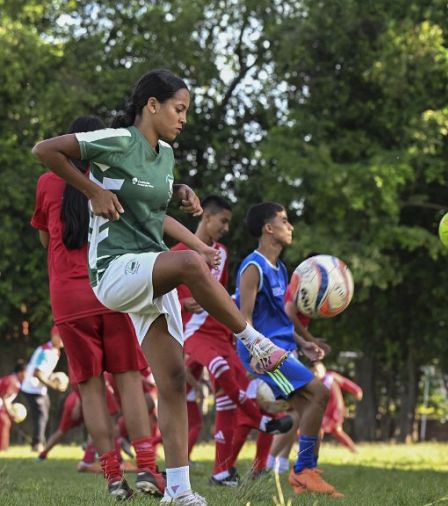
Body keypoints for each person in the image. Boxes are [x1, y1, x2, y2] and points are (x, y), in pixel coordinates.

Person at [31, 69, 291, 505]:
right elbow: (45, 150)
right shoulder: (116, 140)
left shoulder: (165, 155)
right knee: (189, 265)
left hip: (147, 270)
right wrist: (91, 189)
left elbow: (153, 217)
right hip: (114, 271)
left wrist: (184, 199)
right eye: (179, 108)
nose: (183, 117)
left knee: (170, 379)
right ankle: (254, 340)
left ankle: (178, 491)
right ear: (152, 105)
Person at [32, 114, 162, 500]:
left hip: (68, 297)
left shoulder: (46, 182)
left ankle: (113, 478)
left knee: (90, 390)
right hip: (111, 286)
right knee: (128, 381)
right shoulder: (113, 178)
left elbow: (44, 240)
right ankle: (148, 470)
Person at [173, 195, 292, 486]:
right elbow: (165, 295)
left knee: (228, 398)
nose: (226, 228)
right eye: (223, 221)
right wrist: (183, 301)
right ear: (206, 218)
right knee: (219, 370)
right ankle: (259, 419)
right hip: (193, 333)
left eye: (229, 222)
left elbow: (218, 291)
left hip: (219, 331)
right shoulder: (176, 252)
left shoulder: (221, 253)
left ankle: (222, 471)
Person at [234, 202, 342, 497]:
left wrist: (304, 342)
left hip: (280, 348)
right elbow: (243, 317)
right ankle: (303, 471)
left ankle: (303, 473)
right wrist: (255, 352)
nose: (290, 226)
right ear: (268, 229)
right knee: (320, 393)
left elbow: (280, 320)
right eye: (284, 221)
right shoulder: (253, 267)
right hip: (265, 353)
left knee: (309, 407)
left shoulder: (280, 269)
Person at [19, 328, 65, 453]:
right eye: (61, 336)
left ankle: (42, 442)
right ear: (54, 336)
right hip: (32, 388)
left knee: (45, 415)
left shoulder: (56, 352)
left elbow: (44, 371)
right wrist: (53, 385)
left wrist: (53, 377)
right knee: (41, 416)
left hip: (40, 389)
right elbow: (37, 373)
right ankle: (37, 444)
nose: (63, 340)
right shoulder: (46, 352)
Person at [313, 362, 363, 453]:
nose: (315, 374)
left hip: (336, 411)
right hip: (326, 412)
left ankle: (311, 450)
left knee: (318, 427)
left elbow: (344, 382)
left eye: (317, 371)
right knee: (337, 431)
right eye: (313, 372)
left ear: (323, 370)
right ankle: (354, 450)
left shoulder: (331, 377)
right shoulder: (316, 385)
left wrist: (356, 390)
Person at [0, 360, 27, 451]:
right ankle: (3, 449)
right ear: (20, 372)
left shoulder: (14, 380)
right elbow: (5, 398)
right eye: (26, 372)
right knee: (5, 422)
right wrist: (11, 412)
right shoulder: (13, 381)